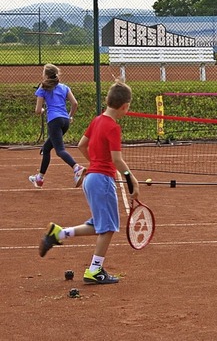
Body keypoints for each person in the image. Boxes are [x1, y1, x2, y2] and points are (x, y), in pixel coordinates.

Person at [39, 80, 140, 285]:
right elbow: (116, 159)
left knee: (99, 224)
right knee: (108, 227)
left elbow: (81, 145)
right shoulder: (113, 127)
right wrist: (132, 180)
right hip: (101, 180)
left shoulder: (97, 120)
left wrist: (94, 163)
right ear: (124, 106)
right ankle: (95, 270)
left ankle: (60, 233)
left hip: (91, 179)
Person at [29, 64, 86, 188]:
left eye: (43, 72)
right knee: (46, 148)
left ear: (46, 75)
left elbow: (38, 110)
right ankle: (39, 178)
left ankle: (77, 168)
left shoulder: (42, 89)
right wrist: (70, 116)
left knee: (60, 150)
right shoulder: (64, 87)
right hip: (64, 121)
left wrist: (44, 110)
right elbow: (75, 103)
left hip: (54, 121)